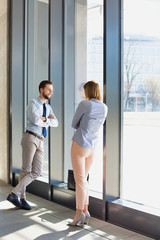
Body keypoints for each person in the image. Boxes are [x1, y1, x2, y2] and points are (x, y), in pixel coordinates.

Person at [7, 80, 58, 210]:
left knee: (37, 171)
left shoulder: (49, 107)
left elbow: (56, 123)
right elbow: (35, 120)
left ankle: (14, 194)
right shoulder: (33, 103)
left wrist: (45, 119)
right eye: (48, 89)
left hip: (41, 139)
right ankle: (22, 199)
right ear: (41, 89)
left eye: (52, 90)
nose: (51, 92)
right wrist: (47, 120)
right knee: (26, 169)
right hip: (30, 137)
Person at [69, 80, 108, 225]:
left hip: (80, 144)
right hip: (93, 147)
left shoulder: (85, 104)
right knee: (84, 180)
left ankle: (78, 213)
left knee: (79, 180)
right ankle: (85, 210)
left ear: (88, 91)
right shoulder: (104, 107)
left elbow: (74, 123)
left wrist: (81, 123)